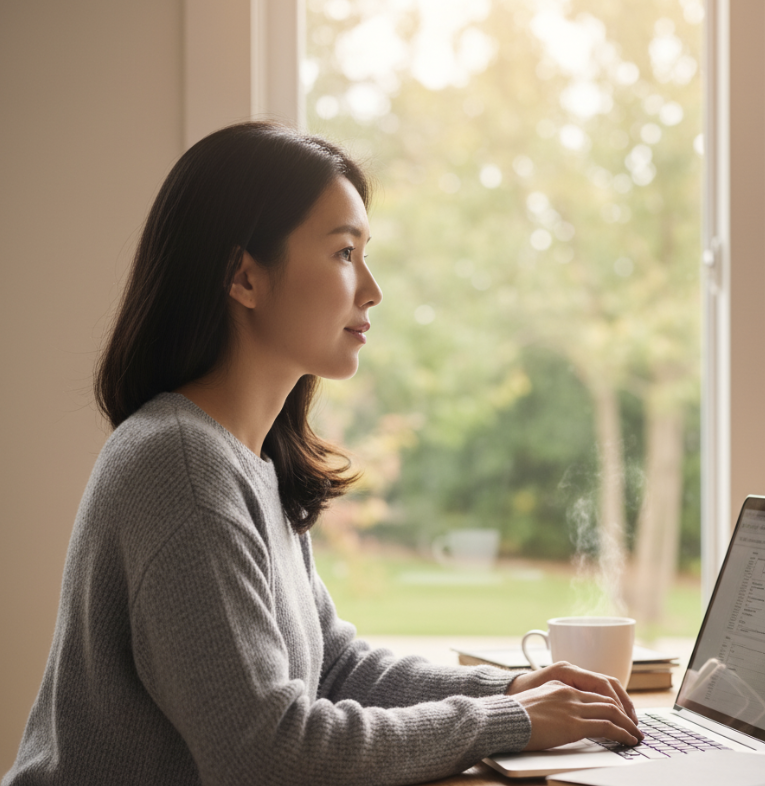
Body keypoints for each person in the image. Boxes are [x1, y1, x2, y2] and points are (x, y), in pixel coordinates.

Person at [2, 121, 642, 786]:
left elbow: (334, 668)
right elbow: (268, 752)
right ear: (243, 277)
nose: (371, 289)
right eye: (343, 253)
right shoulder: (183, 467)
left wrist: (510, 692)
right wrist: (513, 722)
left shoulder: (248, 460)